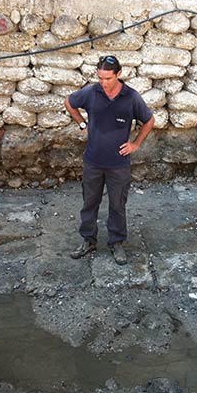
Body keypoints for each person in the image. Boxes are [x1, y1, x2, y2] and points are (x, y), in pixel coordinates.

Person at [64, 55, 155, 265]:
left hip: (119, 164)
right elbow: (69, 102)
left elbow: (149, 120)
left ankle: (116, 242)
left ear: (119, 75)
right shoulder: (91, 92)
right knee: (89, 202)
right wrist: (81, 124)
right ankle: (88, 240)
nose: (103, 83)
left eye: (108, 78)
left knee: (117, 204)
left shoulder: (131, 97)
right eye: (100, 78)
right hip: (93, 160)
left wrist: (136, 144)